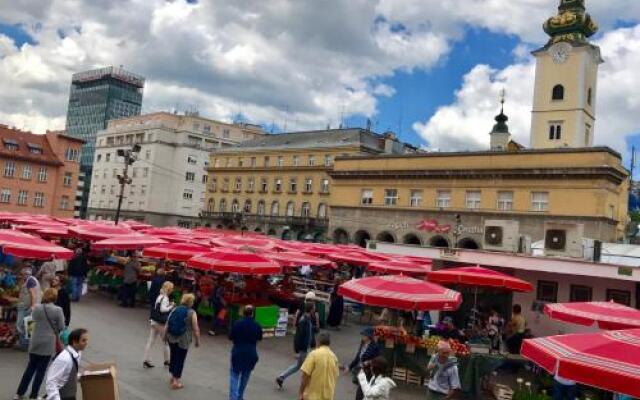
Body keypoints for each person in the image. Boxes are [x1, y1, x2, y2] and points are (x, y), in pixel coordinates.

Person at [15, 288, 65, 400]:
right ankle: (33, 395)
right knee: (41, 371)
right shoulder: (58, 310)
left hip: (35, 340)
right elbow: (62, 327)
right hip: (48, 343)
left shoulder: (37, 307)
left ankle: (19, 393)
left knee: (30, 368)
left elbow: (31, 320)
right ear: (55, 297)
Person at [276, 302, 317, 389]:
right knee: (309, 368)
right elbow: (299, 336)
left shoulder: (308, 319)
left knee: (298, 366)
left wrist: (314, 328)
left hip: (305, 348)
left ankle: (281, 377)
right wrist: (298, 349)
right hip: (304, 349)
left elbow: (308, 331)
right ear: (311, 309)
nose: (315, 309)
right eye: (314, 308)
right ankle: (307, 387)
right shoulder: (304, 320)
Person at [165, 293, 200, 390]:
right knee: (180, 359)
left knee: (173, 356)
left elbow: (167, 323)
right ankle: (176, 381)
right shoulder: (192, 313)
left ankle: (172, 376)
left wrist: (165, 336)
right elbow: (196, 329)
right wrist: (197, 341)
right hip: (184, 339)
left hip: (172, 337)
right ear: (190, 302)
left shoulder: (175, 309)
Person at [229, 305, 263, 400]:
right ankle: (240, 396)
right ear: (252, 314)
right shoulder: (257, 325)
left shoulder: (237, 324)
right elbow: (260, 338)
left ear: (243, 313)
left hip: (237, 352)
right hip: (251, 353)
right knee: (245, 376)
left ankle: (233, 397)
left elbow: (230, 337)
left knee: (234, 375)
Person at [45, 328, 89, 400]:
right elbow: (51, 381)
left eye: (87, 340)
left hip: (70, 395)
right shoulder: (64, 359)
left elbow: (69, 373)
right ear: (74, 342)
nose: (87, 343)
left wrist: (81, 377)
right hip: (61, 396)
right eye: (83, 340)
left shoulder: (78, 352)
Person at [299, 332, 339, 400]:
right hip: (328, 396)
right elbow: (335, 376)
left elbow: (305, 376)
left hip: (312, 396)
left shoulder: (314, 354)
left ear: (318, 342)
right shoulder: (334, 357)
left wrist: (301, 392)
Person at [143, 281, 174, 369]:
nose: (172, 290)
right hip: (160, 323)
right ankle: (167, 360)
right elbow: (163, 309)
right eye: (172, 288)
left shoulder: (160, 296)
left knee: (151, 341)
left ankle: (146, 359)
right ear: (169, 289)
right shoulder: (165, 298)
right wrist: (171, 306)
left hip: (154, 321)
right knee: (166, 342)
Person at [347, 326, 381, 400]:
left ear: (369, 336)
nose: (362, 336)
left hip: (369, 372)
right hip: (360, 371)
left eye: (364, 335)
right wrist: (349, 367)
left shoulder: (375, 347)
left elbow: (378, 359)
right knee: (361, 391)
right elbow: (357, 357)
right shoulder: (362, 343)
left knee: (361, 392)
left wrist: (368, 362)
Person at [16, 266, 42, 348]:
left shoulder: (30, 280)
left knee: (20, 324)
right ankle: (26, 344)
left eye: (22, 273)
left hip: (27, 306)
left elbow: (33, 294)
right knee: (29, 325)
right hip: (29, 306)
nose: (21, 274)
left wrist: (33, 306)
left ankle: (25, 344)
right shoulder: (30, 280)